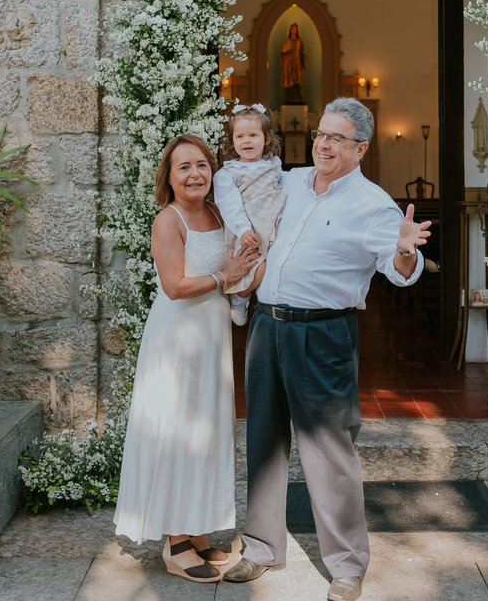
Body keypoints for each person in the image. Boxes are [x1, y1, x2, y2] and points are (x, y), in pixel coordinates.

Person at [223, 97, 431, 601]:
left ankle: (345, 565)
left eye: (337, 138)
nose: (323, 144)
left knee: (329, 450)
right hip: (267, 328)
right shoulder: (289, 180)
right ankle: (261, 548)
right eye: (320, 134)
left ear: (360, 148)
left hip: (323, 334)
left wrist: (405, 250)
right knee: (264, 440)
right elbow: (239, 188)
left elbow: (401, 271)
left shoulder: (373, 204)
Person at [112, 134, 261, 583]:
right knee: (178, 432)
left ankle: (198, 531)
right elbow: (175, 286)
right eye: (184, 167)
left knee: (207, 433)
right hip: (177, 339)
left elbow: (234, 271)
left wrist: (248, 272)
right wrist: (224, 274)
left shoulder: (217, 213)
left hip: (212, 335)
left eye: (202, 164)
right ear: (170, 177)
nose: (195, 174)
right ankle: (175, 541)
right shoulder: (168, 220)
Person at [212, 102, 287, 326]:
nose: (246, 141)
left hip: (270, 223)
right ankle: (240, 298)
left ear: (266, 139)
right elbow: (229, 204)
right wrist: (243, 229)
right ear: (232, 141)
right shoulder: (228, 173)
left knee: (274, 266)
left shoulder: (273, 165)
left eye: (253, 135)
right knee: (257, 268)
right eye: (240, 136)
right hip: (249, 228)